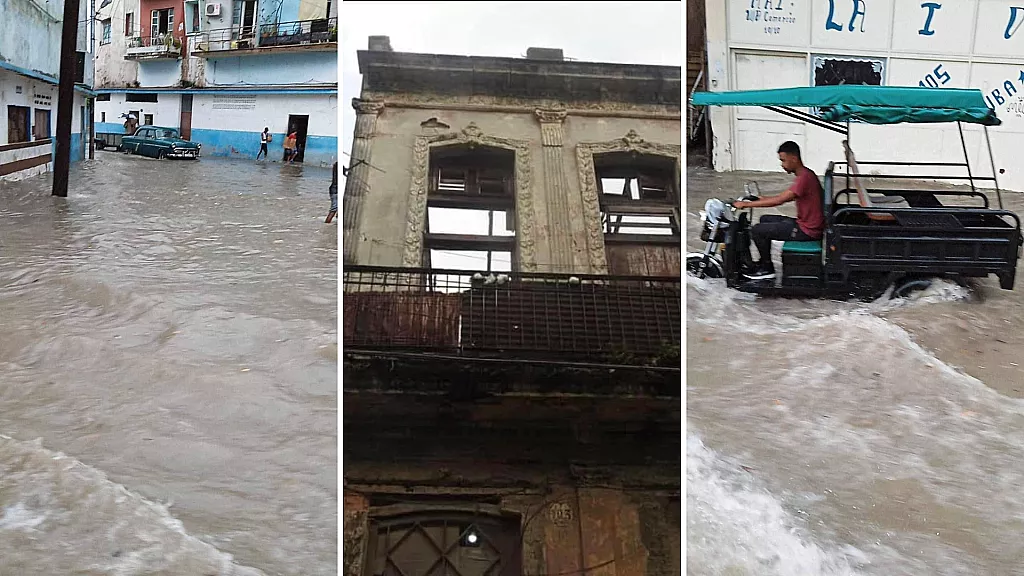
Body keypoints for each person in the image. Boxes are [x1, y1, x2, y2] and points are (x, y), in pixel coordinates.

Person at [732, 141, 825, 280]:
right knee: (765, 219)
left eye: (783, 160)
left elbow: (779, 200)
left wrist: (745, 205)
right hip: (806, 224)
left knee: (757, 230)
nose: (782, 165)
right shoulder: (806, 175)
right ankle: (763, 263)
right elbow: (784, 197)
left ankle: (767, 268)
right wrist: (760, 199)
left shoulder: (804, 178)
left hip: (808, 231)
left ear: (794, 158)